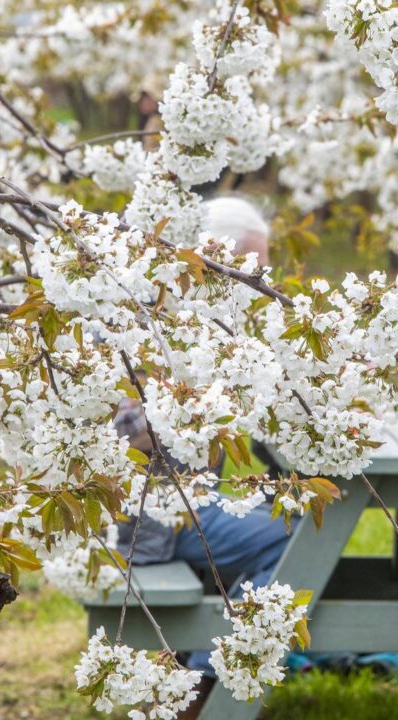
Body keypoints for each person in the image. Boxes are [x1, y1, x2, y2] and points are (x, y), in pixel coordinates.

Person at [112, 196, 288, 691]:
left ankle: (205, 662)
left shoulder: (206, 324)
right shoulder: (147, 319)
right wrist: (191, 408)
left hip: (186, 507)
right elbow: (120, 425)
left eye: (262, 269)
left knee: (285, 518)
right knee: (290, 540)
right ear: (205, 253)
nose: (256, 282)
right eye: (248, 267)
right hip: (152, 521)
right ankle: (214, 673)